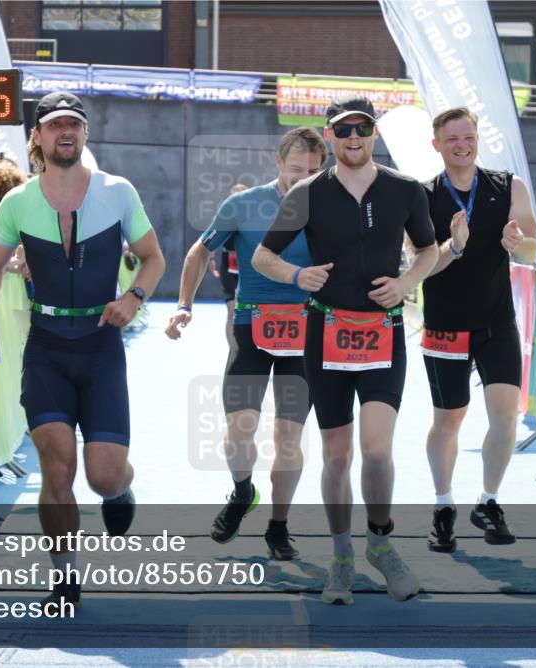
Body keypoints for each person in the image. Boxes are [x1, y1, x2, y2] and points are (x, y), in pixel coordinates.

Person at [0, 91, 165, 612]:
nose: (65, 131)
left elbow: (152, 258)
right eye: (54, 125)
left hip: (101, 346)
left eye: (73, 123)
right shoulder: (17, 202)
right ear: (37, 137)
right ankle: (65, 577)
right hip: (48, 346)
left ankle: (121, 490)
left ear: (86, 134)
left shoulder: (118, 192)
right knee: (57, 468)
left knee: (102, 475)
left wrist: (133, 297)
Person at [253, 95, 438, 605]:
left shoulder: (405, 190)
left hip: (383, 333)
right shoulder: (309, 192)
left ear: (374, 132)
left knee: (377, 450)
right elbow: (262, 256)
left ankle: (380, 543)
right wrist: (297, 275)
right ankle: (340, 557)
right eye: (343, 130)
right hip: (325, 333)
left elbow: (427, 250)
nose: (353, 137)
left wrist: (406, 284)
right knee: (337, 456)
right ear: (330, 136)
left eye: (362, 128)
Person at [166, 128, 327, 560]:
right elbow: (199, 252)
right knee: (239, 429)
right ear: (278, 162)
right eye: (296, 170)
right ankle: (242, 492)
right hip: (250, 327)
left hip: (308, 331)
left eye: (313, 171)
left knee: (289, 436)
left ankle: (279, 526)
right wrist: (185, 304)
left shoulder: (331, 208)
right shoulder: (243, 204)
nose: (303, 178)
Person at [420, 107, 536, 553]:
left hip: (497, 323)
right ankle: (443, 506)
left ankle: (488, 500)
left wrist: (516, 243)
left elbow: (530, 249)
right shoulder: (424, 195)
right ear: (437, 145)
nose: (462, 144)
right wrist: (454, 246)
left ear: (477, 138)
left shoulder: (509, 186)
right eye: (452, 139)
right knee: (448, 421)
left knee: (506, 420)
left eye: (467, 136)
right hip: (445, 326)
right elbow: (420, 265)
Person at [206, 182, 247, 348]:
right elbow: (209, 241)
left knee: (247, 313)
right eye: (233, 198)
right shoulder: (222, 218)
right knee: (231, 311)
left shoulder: (255, 219)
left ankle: (247, 349)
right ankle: (233, 350)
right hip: (229, 271)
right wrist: (211, 260)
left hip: (249, 272)